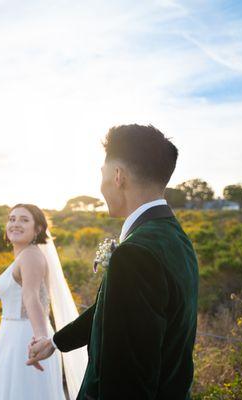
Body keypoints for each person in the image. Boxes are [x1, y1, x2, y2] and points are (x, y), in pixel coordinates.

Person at [27, 124, 199, 399]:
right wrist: (57, 342)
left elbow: (128, 375)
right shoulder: (175, 238)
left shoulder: (135, 254)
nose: (101, 185)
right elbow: (111, 309)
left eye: (102, 174)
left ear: (118, 176)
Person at [0, 203, 88, 399]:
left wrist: (40, 338)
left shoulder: (30, 256)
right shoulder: (24, 256)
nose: (15, 224)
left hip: (25, 338)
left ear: (37, 229)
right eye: (12, 219)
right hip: (11, 336)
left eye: (24, 219)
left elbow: (31, 297)